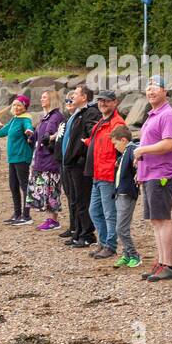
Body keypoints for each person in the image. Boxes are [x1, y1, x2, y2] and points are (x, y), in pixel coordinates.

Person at [134, 76, 172, 280]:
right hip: (149, 173)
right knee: (155, 220)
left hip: (162, 174)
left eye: (155, 87)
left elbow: (169, 144)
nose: (151, 91)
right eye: (148, 87)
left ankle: (168, 264)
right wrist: (140, 163)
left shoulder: (168, 115)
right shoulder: (152, 114)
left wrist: (142, 149)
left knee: (163, 219)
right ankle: (161, 262)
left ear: (165, 92)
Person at [84, 91, 126, 256]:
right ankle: (103, 242)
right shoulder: (102, 121)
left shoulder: (117, 123)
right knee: (94, 211)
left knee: (109, 213)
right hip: (97, 173)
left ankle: (110, 246)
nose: (102, 103)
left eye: (106, 101)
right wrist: (87, 142)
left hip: (108, 175)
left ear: (115, 102)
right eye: (100, 101)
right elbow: (97, 142)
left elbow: (122, 147)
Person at [59, 84, 100, 248]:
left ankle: (87, 234)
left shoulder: (90, 112)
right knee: (74, 200)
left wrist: (81, 153)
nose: (72, 97)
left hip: (79, 163)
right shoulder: (76, 114)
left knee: (83, 200)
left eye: (75, 94)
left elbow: (92, 133)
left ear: (84, 97)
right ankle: (77, 231)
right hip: (70, 162)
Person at [0, 95, 37, 224]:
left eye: (19, 105)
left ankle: (26, 216)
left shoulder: (25, 119)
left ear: (24, 107)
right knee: (13, 185)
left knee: (24, 185)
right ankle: (17, 214)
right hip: (13, 158)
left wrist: (29, 130)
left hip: (21, 156)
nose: (16, 107)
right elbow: (5, 130)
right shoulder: (15, 119)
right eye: (14, 105)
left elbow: (29, 127)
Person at [29, 89, 65, 231]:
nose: (42, 99)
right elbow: (40, 136)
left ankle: (53, 220)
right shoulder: (45, 117)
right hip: (41, 158)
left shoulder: (55, 117)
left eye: (45, 97)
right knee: (45, 189)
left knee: (51, 189)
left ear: (52, 99)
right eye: (42, 97)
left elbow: (49, 135)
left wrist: (46, 137)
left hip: (50, 160)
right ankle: (49, 218)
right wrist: (31, 136)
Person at [110, 126, 142, 268]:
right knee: (122, 227)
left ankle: (134, 255)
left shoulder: (130, 148)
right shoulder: (123, 154)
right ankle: (126, 254)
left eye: (116, 144)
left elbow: (138, 157)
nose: (115, 147)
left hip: (127, 193)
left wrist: (138, 171)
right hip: (120, 193)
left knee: (121, 228)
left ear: (123, 140)